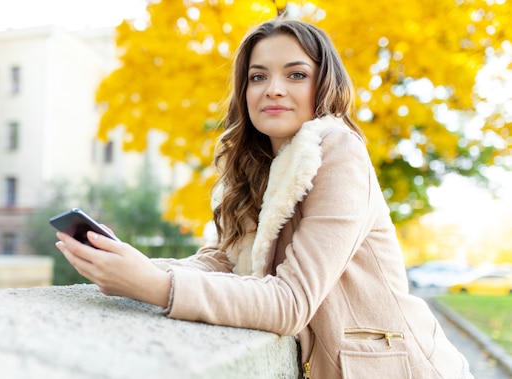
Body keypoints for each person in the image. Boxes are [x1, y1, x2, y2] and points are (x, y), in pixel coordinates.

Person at [55, 18, 473, 378]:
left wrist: (155, 286)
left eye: (295, 74)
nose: (273, 89)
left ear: (323, 84)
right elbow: (224, 261)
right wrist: (127, 262)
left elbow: (291, 302)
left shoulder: (339, 153)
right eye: (258, 76)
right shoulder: (259, 168)